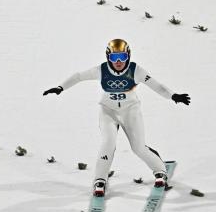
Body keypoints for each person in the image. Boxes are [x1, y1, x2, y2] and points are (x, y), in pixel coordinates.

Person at [43, 38, 190, 197]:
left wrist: (173, 96)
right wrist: (60, 87)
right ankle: (100, 180)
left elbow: (156, 85)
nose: (119, 61)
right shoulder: (102, 70)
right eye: (114, 58)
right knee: (108, 142)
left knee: (138, 148)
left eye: (122, 57)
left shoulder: (136, 70)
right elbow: (79, 76)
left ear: (128, 56)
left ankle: (160, 170)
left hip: (130, 111)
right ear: (108, 57)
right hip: (108, 111)